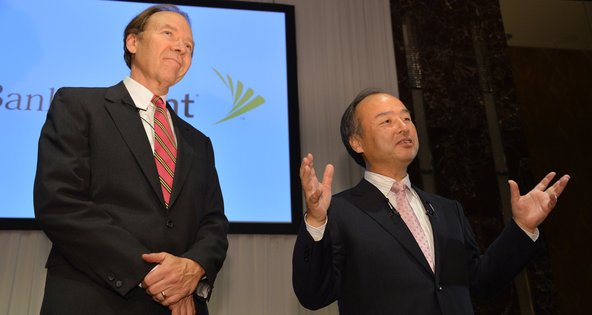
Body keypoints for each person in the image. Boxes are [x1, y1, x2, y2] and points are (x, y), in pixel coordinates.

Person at [292, 89, 570, 314]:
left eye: (407, 118)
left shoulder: (448, 209)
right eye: (387, 121)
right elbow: (313, 294)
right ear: (357, 143)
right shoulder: (340, 211)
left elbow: (480, 283)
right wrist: (316, 221)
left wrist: (521, 228)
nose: (403, 127)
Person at [34, 4, 228, 315]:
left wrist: (192, 269)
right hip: (93, 297)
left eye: (189, 46)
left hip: (181, 305)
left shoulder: (198, 142)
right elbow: (60, 203)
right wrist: (153, 275)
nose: (181, 47)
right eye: (169, 34)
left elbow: (213, 223)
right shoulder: (78, 105)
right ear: (132, 42)